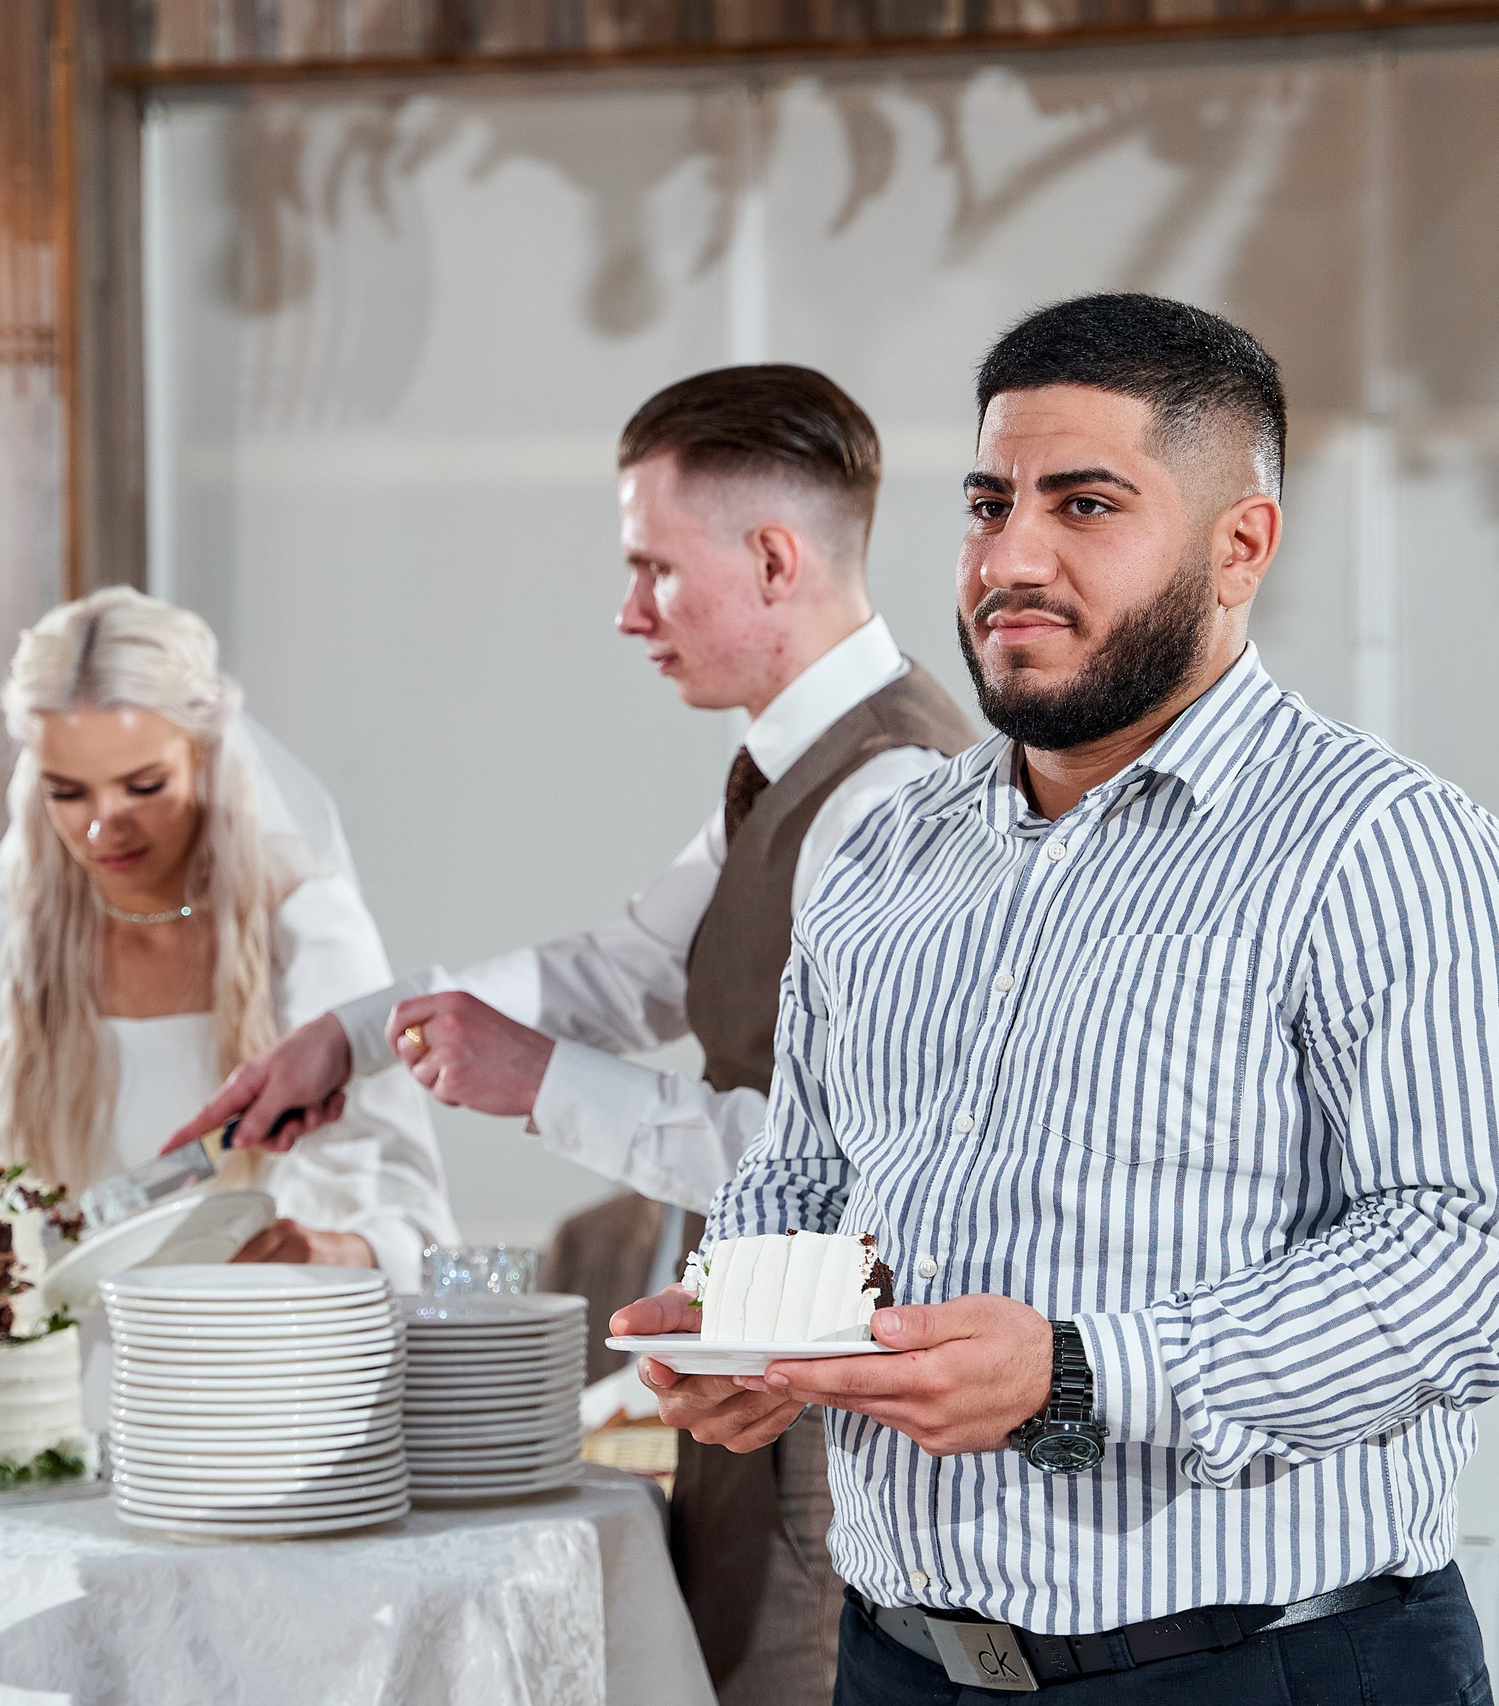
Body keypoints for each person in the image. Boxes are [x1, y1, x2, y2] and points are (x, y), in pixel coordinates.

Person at [615, 294, 1499, 1705]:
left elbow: (1476, 1262)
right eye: (988, 503)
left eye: (1085, 504)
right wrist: (745, 1319)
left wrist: (1080, 1371)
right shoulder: (886, 854)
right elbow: (809, 1170)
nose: (1010, 557)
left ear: (1239, 546)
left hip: (1267, 1667)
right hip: (898, 1662)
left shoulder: (1387, 850)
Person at [174, 365, 977, 1705]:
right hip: (752, 1370)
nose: (628, 611)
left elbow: (855, 1169)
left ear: (774, 560)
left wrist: (542, 1083)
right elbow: (626, 968)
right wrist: (353, 1035)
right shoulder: (794, 763)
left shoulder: (887, 793)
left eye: (655, 568)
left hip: (831, 1416)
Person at [0, 588, 457, 1302]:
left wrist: (324, 1252)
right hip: (59, 1353)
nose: (103, 830)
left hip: (257, 1344)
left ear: (207, 758)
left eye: (144, 787)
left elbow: (413, 1223)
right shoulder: (0, 920)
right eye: (68, 793)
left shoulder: (304, 922)